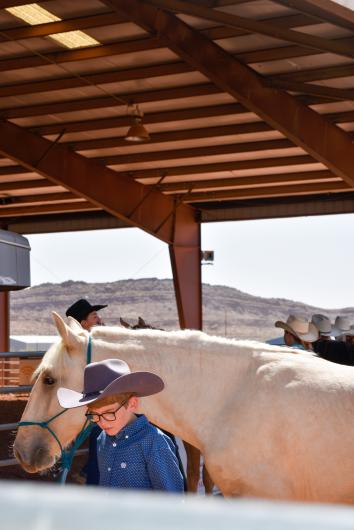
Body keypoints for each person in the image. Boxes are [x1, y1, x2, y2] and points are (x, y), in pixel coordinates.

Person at [57, 359, 184, 492]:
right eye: (94, 414)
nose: (102, 422)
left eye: (109, 412)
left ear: (132, 404)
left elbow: (172, 501)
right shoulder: (102, 438)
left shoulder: (154, 442)